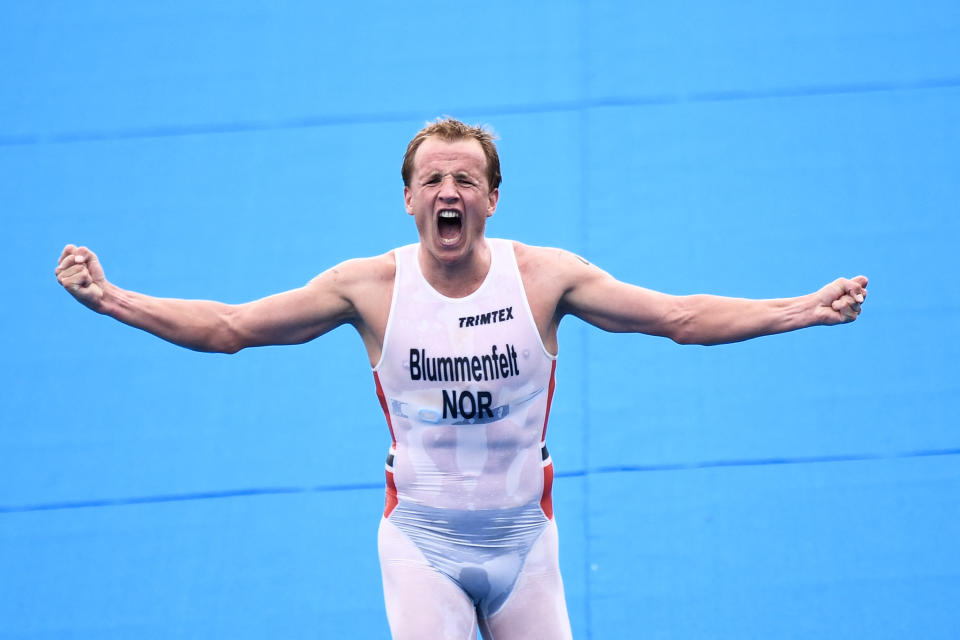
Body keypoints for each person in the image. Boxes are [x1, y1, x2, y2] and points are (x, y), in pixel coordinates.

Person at [55, 117, 867, 639]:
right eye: (433, 180)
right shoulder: (366, 288)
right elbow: (231, 329)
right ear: (409, 199)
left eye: (466, 180)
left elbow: (679, 318)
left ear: (492, 199)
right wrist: (113, 299)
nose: (449, 191)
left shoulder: (546, 278)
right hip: (423, 548)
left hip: (526, 546)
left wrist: (802, 308)